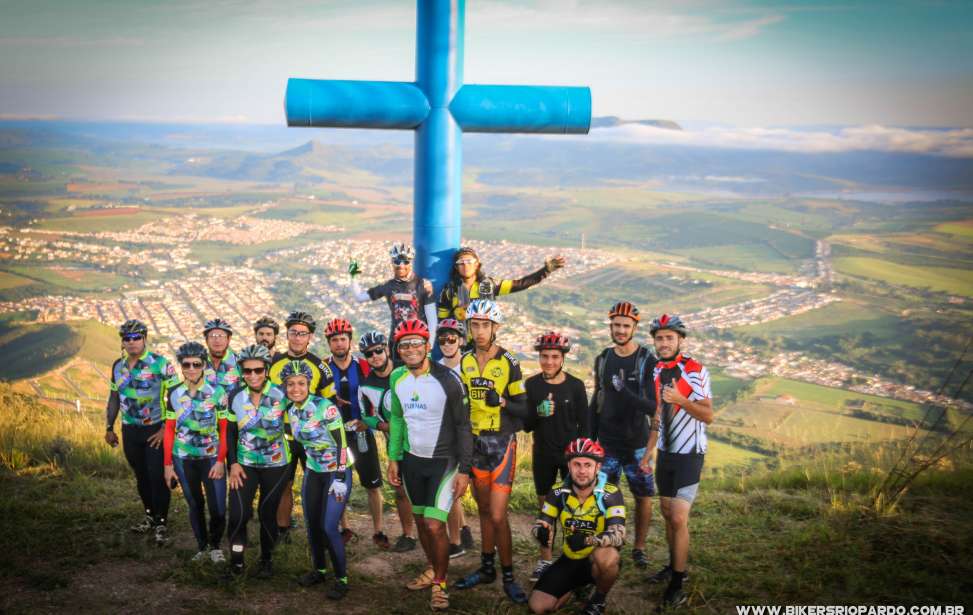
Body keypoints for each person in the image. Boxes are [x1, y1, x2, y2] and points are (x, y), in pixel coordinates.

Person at [386, 319, 473, 611]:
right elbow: (397, 418)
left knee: (436, 525)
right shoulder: (397, 377)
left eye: (415, 343)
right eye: (404, 345)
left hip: (444, 462)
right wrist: (394, 457)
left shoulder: (449, 379)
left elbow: (464, 426)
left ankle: (440, 583)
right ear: (398, 350)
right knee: (422, 522)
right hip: (412, 461)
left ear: (427, 346)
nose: (410, 349)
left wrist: (465, 470)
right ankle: (433, 568)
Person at [453, 299, 530, 604]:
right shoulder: (466, 360)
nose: (480, 330)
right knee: (484, 511)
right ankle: (487, 569)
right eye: (475, 325)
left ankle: (509, 576)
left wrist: (501, 402)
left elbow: (523, 408)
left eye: (486, 325)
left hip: (501, 443)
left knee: (498, 515)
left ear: (495, 328)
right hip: (474, 444)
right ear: (469, 328)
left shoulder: (509, 362)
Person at [645, 314, 713, 609]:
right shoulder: (656, 370)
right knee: (665, 512)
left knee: (677, 517)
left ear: (680, 340)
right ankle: (674, 565)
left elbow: (708, 415)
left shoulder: (695, 371)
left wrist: (681, 400)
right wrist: (649, 451)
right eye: (659, 338)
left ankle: (678, 582)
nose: (663, 343)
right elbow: (659, 414)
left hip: (690, 454)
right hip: (666, 453)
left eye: (669, 338)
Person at [589, 301, 657, 569]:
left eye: (625, 326)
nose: (620, 330)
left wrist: (624, 392)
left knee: (643, 496)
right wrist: (589, 436)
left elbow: (651, 406)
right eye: (616, 325)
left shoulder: (646, 360)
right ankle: (611, 538)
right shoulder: (603, 359)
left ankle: (639, 547)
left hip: (637, 442)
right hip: (607, 441)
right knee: (605, 494)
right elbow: (597, 397)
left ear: (635, 328)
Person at [528, 439, 625, 615]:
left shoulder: (611, 493)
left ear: (598, 467)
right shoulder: (557, 492)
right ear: (569, 466)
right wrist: (541, 531)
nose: (582, 471)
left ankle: (598, 600)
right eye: (576, 464)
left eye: (588, 465)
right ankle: (576, 587)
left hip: (596, 557)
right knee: (538, 607)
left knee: (608, 557)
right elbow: (541, 523)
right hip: (570, 558)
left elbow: (618, 534)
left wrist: (588, 540)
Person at [523, 331, 591, 582]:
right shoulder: (532, 385)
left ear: (563, 358)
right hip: (542, 454)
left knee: (574, 511)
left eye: (554, 356)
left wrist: (582, 461)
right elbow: (526, 425)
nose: (548, 362)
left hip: (570, 457)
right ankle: (545, 560)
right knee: (545, 509)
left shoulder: (575, 386)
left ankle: (573, 559)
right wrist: (539, 413)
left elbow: (586, 426)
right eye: (544, 356)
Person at [282, 360, 351, 600]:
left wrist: (341, 476)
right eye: (290, 384)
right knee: (312, 525)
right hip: (313, 471)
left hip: (337, 471)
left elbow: (342, 442)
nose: (296, 388)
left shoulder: (325, 407)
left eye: (301, 383)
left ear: (309, 384)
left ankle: (342, 579)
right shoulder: (291, 410)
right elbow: (295, 442)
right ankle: (319, 570)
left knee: (329, 526)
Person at [104, 319, 177, 546]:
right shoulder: (118, 365)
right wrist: (109, 427)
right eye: (127, 338)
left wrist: (166, 428)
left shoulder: (161, 363)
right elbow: (114, 397)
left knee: (157, 477)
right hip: (130, 430)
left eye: (137, 337)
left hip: (155, 429)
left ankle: (162, 522)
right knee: (141, 476)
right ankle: (149, 516)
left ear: (145, 338)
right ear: (122, 342)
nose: (132, 341)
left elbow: (175, 396)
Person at [269, 310, 336, 541]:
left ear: (310, 337)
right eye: (293, 333)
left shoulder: (320, 366)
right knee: (284, 485)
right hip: (283, 434)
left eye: (302, 334)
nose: (297, 338)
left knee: (319, 486)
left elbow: (331, 403)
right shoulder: (274, 363)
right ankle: (283, 529)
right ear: (287, 335)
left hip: (313, 436)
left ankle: (321, 530)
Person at [226, 344, 289, 577]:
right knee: (238, 515)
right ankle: (237, 561)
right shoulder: (235, 395)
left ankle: (266, 560)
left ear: (267, 370)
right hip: (244, 465)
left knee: (267, 514)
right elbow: (230, 432)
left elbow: (297, 423)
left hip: (276, 465)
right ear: (242, 372)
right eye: (247, 371)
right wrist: (232, 463)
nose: (253, 375)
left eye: (258, 370)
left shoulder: (282, 394)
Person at [162, 341, 229, 563]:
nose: (191, 369)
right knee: (195, 504)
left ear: (204, 365)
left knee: (218, 508)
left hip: (211, 457)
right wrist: (168, 465)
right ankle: (202, 547)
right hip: (183, 459)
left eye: (196, 364)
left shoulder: (217, 393)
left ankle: (215, 545)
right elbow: (170, 430)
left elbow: (224, 429)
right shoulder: (173, 393)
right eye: (186, 364)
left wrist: (221, 460)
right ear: (181, 366)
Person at [325, 317, 388, 549]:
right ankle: (344, 527)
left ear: (350, 341)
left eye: (343, 339)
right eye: (335, 340)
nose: (339, 344)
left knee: (372, 485)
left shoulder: (363, 366)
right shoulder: (324, 367)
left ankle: (378, 530)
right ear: (329, 343)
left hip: (362, 431)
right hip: (335, 435)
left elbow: (376, 394)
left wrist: (370, 422)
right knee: (338, 481)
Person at [357, 330, 418, 553]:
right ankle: (408, 534)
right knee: (401, 491)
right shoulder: (366, 386)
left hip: (423, 441)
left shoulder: (408, 370)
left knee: (429, 488)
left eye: (378, 351)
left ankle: (452, 533)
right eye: (369, 354)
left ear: (386, 349)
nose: (375, 356)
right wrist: (384, 426)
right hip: (396, 445)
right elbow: (366, 415)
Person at [436, 246, 566, 341]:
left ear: (477, 265)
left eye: (469, 261)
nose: (465, 266)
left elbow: (521, 284)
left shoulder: (489, 285)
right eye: (461, 263)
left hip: (485, 343)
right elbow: (442, 321)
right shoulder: (449, 291)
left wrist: (546, 271)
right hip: (460, 344)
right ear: (456, 267)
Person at [348, 242, 437, 361]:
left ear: (411, 263)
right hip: (396, 343)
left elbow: (432, 318)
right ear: (392, 263)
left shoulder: (424, 285)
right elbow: (359, 297)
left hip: (418, 343)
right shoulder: (388, 286)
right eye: (397, 261)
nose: (401, 265)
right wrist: (353, 277)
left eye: (405, 261)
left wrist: (429, 345)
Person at [436, 318, 475, 558]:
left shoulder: (470, 365)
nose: (448, 343)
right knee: (451, 486)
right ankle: (459, 537)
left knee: (458, 486)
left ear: (461, 341)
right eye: (443, 339)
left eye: (452, 339)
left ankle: (461, 535)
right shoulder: (436, 367)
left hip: (470, 430)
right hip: (448, 432)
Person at [202, 318, 241, 392]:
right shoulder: (197, 364)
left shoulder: (239, 363)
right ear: (206, 340)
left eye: (221, 336)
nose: (217, 340)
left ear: (229, 339)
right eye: (212, 336)